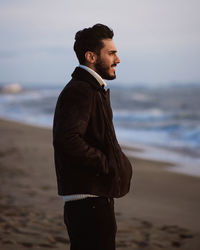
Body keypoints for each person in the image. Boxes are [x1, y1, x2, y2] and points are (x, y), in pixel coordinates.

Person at [53, 23, 132, 250]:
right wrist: (106, 164)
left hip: (93, 199)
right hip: (88, 202)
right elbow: (67, 139)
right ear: (91, 56)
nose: (118, 59)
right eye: (111, 53)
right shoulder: (80, 90)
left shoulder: (92, 89)